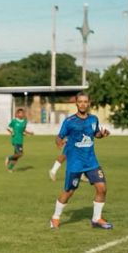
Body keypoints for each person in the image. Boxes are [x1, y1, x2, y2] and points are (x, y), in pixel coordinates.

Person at [49, 92, 113, 230]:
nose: (83, 104)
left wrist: (102, 134)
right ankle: (55, 217)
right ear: (76, 103)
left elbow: (95, 134)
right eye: (80, 102)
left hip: (91, 161)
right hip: (75, 163)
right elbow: (59, 137)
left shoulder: (93, 119)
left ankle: (96, 219)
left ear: (89, 103)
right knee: (69, 192)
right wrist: (59, 142)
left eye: (85, 101)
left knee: (102, 188)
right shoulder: (69, 121)